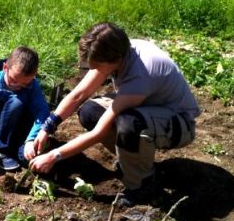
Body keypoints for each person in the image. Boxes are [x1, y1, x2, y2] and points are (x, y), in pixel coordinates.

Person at [29, 22, 201, 206]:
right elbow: (78, 95)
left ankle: (143, 185)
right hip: (146, 108)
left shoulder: (141, 73)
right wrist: (47, 126)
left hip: (178, 123)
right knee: (90, 111)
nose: (93, 69)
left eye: (97, 66)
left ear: (115, 59)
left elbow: (99, 132)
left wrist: (55, 155)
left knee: (130, 124)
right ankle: (134, 162)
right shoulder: (120, 51)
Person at [0, 46, 50, 171]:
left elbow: (43, 112)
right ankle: (2, 148)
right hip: (6, 124)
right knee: (16, 101)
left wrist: (31, 140)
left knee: (31, 162)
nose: (18, 86)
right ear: (5, 67)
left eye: (25, 84)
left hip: (26, 128)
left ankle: (17, 147)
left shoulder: (33, 85)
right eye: (14, 80)